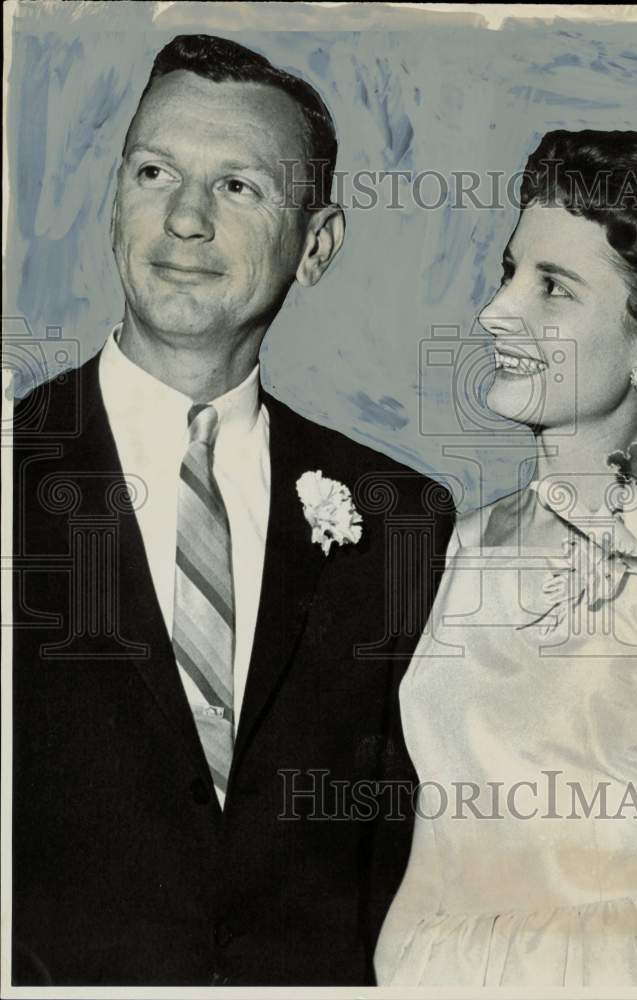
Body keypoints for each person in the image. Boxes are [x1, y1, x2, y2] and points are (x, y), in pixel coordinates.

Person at [12, 34, 454, 986]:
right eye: (156, 170)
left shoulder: (401, 517)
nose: (184, 220)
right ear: (114, 198)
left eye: (239, 187)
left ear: (319, 243)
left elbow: (405, 852)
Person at [375, 130, 637, 987]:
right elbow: (442, 826)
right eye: (508, 272)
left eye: (553, 288)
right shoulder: (470, 542)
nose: (496, 313)